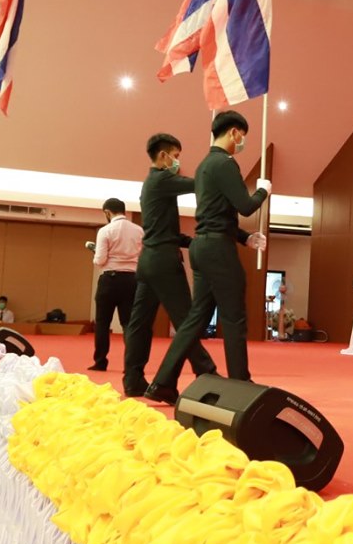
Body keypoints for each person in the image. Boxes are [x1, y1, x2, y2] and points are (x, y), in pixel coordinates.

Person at [149, 112, 268, 400]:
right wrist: (263, 192)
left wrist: (245, 238)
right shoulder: (225, 163)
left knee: (196, 318)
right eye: (242, 136)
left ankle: (163, 382)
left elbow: (216, 213)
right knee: (234, 317)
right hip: (218, 250)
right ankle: (240, 384)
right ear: (234, 132)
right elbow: (245, 206)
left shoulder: (204, 165)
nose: (242, 142)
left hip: (202, 247)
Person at [122, 133, 221, 398]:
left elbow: (165, 230)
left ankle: (133, 379)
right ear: (163, 155)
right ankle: (207, 373)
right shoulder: (161, 179)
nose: (178, 162)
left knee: (140, 323)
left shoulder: (151, 184)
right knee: (187, 321)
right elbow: (198, 183)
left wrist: (192, 242)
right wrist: (217, 168)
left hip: (149, 261)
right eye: (176, 156)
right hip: (164, 262)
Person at [89, 197, 141, 371]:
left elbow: (100, 260)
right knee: (129, 324)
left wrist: (95, 255)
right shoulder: (139, 230)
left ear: (107, 212)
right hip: (132, 280)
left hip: (109, 280)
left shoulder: (105, 231)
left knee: (103, 323)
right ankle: (131, 365)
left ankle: (100, 362)